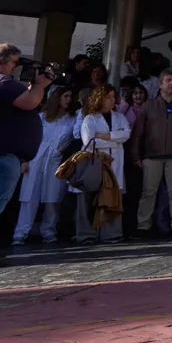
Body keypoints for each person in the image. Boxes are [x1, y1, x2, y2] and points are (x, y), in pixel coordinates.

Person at [130, 69, 172, 239]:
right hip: (151, 155)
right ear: (160, 84)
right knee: (148, 192)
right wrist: (136, 156)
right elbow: (138, 132)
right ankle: (143, 226)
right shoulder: (149, 105)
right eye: (168, 80)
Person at [12, 84, 75, 245]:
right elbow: (28, 139)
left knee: (52, 198)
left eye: (70, 97)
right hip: (36, 159)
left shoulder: (71, 119)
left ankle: (48, 230)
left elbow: (71, 139)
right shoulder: (41, 117)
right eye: (65, 96)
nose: (68, 100)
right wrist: (24, 159)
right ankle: (21, 232)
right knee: (29, 197)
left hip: (55, 161)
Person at [77, 85, 131, 245]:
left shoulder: (120, 117)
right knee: (89, 199)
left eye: (114, 97)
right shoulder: (90, 118)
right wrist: (115, 139)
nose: (112, 100)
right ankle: (86, 235)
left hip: (115, 163)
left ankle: (111, 234)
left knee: (112, 198)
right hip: (95, 163)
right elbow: (89, 141)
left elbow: (126, 134)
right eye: (108, 97)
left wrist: (107, 136)